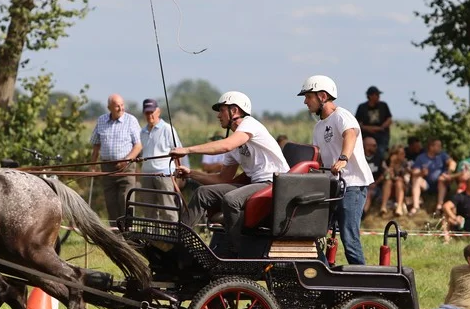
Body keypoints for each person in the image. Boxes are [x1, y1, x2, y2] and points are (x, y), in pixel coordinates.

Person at [171, 91, 288, 255]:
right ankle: (176, 242)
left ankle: (238, 253)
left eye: (221, 110)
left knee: (231, 199)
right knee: (202, 193)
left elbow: (226, 145)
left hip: (274, 184)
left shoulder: (249, 124)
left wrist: (187, 150)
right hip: (257, 185)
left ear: (234, 110)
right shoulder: (235, 144)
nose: (218, 115)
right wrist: (191, 173)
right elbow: (222, 179)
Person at [298, 75, 374, 265]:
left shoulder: (342, 116)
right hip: (332, 187)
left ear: (322, 96)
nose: (306, 102)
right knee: (313, 232)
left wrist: (343, 158)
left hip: (353, 186)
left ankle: (363, 281)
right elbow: (318, 157)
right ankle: (325, 272)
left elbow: (350, 134)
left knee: (349, 238)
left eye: (308, 97)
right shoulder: (318, 127)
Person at [89, 94, 142, 224]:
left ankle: (128, 234)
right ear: (109, 108)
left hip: (127, 168)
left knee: (126, 201)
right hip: (107, 167)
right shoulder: (101, 120)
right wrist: (92, 166)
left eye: (122, 105)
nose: (121, 108)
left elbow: (138, 145)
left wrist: (127, 160)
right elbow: (96, 145)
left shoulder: (131, 120)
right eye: (117, 106)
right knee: (111, 202)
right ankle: (115, 235)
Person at [137, 99, 187, 222]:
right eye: (147, 113)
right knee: (148, 209)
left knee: (168, 209)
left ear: (158, 111)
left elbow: (179, 151)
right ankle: (152, 238)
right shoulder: (142, 132)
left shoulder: (167, 129)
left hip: (164, 174)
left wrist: (178, 173)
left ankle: (174, 235)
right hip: (146, 174)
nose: (150, 115)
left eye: (152, 112)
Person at [408, 139, 454, 215]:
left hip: (440, 183)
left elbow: (452, 163)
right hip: (427, 184)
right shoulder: (421, 158)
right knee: (416, 179)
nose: (440, 148)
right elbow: (414, 172)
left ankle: (439, 206)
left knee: (441, 179)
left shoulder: (442, 155)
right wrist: (421, 173)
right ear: (431, 147)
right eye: (438, 146)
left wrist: (448, 173)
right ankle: (415, 206)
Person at [441, 176, 470, 243]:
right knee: (445, 217)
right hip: (460, 222)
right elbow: (446, 206)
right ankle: (446, 240)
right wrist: (454, 218)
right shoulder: (460, 196)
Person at [355, 86, 392, 164]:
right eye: (377, 95)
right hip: (367, 134)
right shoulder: (362, 107)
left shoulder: (383, 105)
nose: (378, 97)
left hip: (381, 135)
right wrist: (369, 128)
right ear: (370, 96)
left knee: (381, 152)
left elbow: (389, 119)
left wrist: (381, 127)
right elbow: (357, 123)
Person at [378, 145, 409, 217]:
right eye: (401, 153)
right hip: (388, 187)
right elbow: (385, 177)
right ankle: (383, 206)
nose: (404, 155)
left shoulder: (406, 163)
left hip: (403, 187)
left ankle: (399, 207)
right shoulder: (386, 163)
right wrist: (391, 165)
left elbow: (407, 179)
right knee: (388, 181)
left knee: (399, 182)